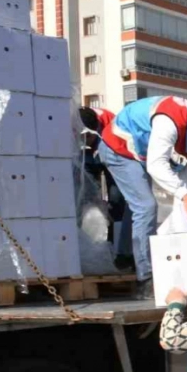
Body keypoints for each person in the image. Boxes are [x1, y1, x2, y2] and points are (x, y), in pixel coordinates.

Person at [98, 96, 187, 298]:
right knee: (146, 206)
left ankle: (124, 258)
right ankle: (146, 278)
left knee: (140, 204)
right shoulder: (170, 122)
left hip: (140, 154)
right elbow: (156, 166)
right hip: (117, 147)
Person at [79, 106, 130, 269]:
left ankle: (117, 250)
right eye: (83, 137)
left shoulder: (113, 127)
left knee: (116, 199)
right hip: (86, 156)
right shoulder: (76, 124)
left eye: (89, 137)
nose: (86, 140)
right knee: (86, 197)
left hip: (113, 152)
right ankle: (89, 244)